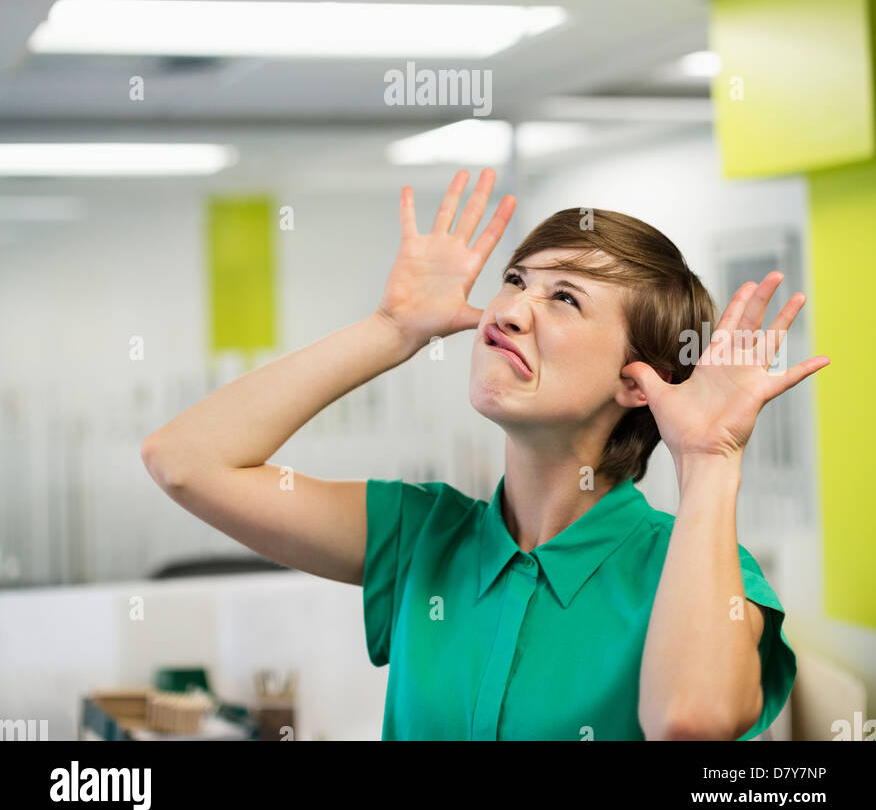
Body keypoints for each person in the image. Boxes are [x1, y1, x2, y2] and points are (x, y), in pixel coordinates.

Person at [142, 168, 827, 741]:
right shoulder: (421, 536)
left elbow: (691, 721)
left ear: (635, 381)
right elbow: (184, 461)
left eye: (564, 298)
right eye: (516, 279)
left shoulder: (695, 574)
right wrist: (390, 330)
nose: (509, 310)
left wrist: (709, 459)